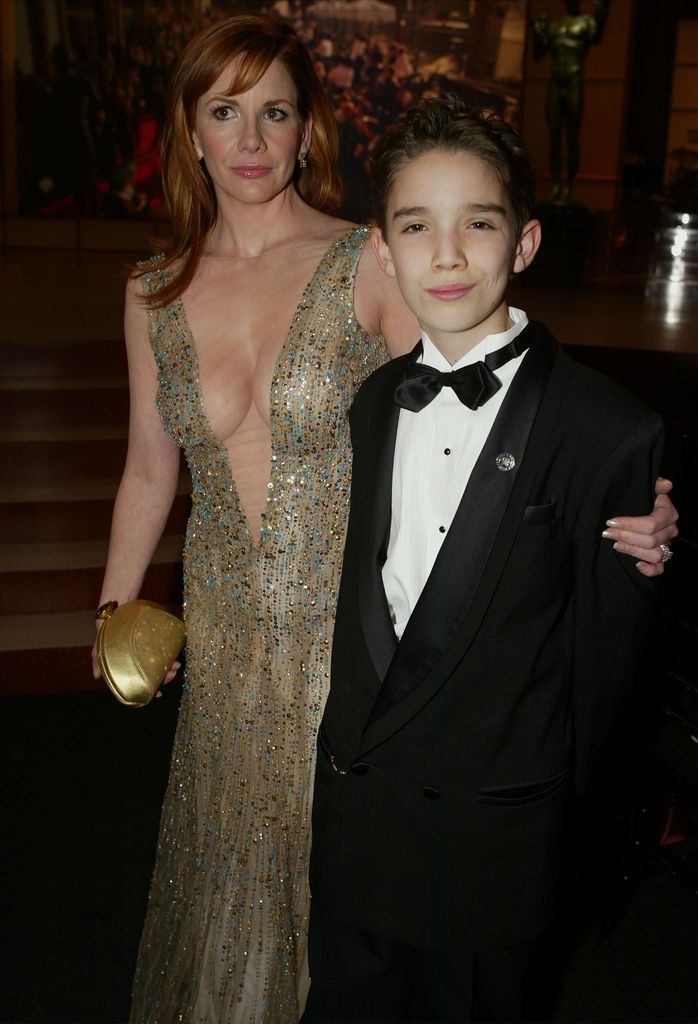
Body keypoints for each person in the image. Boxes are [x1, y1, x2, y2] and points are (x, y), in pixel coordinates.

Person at [91, 16, 677, 1024]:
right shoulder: (152, 291)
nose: (249, 139)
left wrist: (603, 497)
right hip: (226, 635)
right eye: (223, 112)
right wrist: (113, 605)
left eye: (273, 111)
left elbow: (467, 390)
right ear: (187, 131)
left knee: (348, 894)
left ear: (305, 126)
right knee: (224, 859)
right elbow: (150, 465)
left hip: (346, 639)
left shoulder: (366, 258)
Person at [302, 96, 675, 1023]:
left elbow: (607, 672)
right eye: (417, 226)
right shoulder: (376, 400)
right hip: (363, 815)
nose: (450, 254)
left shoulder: (608, 429)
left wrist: (570, 833)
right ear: (382, 251)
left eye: (480, 222)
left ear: (527, 242)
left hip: (492, 838)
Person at [532, 0, 609, 203]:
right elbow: (538, 53)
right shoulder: (555, 25)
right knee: (555, 136)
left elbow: (597, 36)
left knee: (572, 136)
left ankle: (568, 188)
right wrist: (537, 32)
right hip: (556, 81)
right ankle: (556, 185)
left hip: (574, 77)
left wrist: (602, 11)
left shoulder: (586, 22)